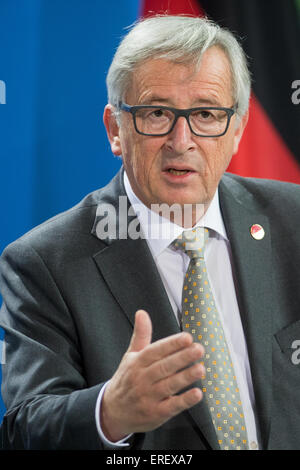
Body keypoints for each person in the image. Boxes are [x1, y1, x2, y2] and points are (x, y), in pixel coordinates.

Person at [1, 15, 300, 451]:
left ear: (236, 130)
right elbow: (25, 429)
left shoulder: (291, 219)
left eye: (205, 113)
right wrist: (108, 412)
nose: (182, 139)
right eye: (156, 113)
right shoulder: (44, 263)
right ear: (115, 130)